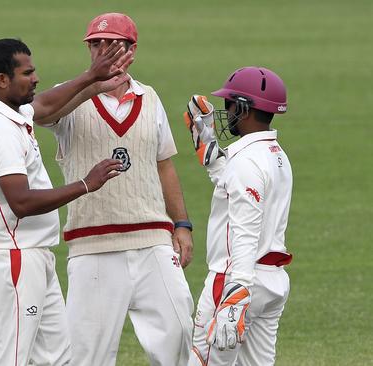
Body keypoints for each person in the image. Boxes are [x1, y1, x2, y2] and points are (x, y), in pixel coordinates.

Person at [33, 12, 195, 366]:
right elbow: (37, 114)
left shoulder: (149, 98)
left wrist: (181, 224)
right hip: (93, 246)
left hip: (153, 239)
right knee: (85, 355)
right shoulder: (72, 95)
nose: (102, 50)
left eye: (111, 43)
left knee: (181, 333)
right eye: (95, 44)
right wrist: (90, 84)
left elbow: (163, 163)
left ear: (132, 49)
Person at [0, 38, 132, 366]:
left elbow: (45, 105)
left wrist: (92, 79)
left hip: (35, 255)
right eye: (27, 73)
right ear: (2, 80)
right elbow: (22, 202)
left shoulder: (13, 113)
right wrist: (86, 184)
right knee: (11, 356)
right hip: (15, 258)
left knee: (56, 358)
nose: (36, 78)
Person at [182, 66, 293, 366]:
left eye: (229, 104)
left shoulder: (246, 162)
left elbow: (244, 228)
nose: (225, 111)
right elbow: (232, 180)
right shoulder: (276, 155)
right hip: (271, 282)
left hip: (236, 280)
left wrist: (237, 292)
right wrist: (206, 142)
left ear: (243, 108)